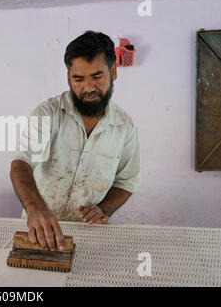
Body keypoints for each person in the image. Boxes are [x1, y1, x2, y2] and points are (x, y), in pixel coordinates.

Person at [10, 31, 141, 251]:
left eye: (97, 77)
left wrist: (105, 209)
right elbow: (21, 164)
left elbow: (126, 182)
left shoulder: (124, 127)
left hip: (90, 235)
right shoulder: (47, 113)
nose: (88, 88)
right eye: (78, 79)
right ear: (68, 78)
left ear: (113, 72)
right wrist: (35, 208)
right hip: (37, 229)